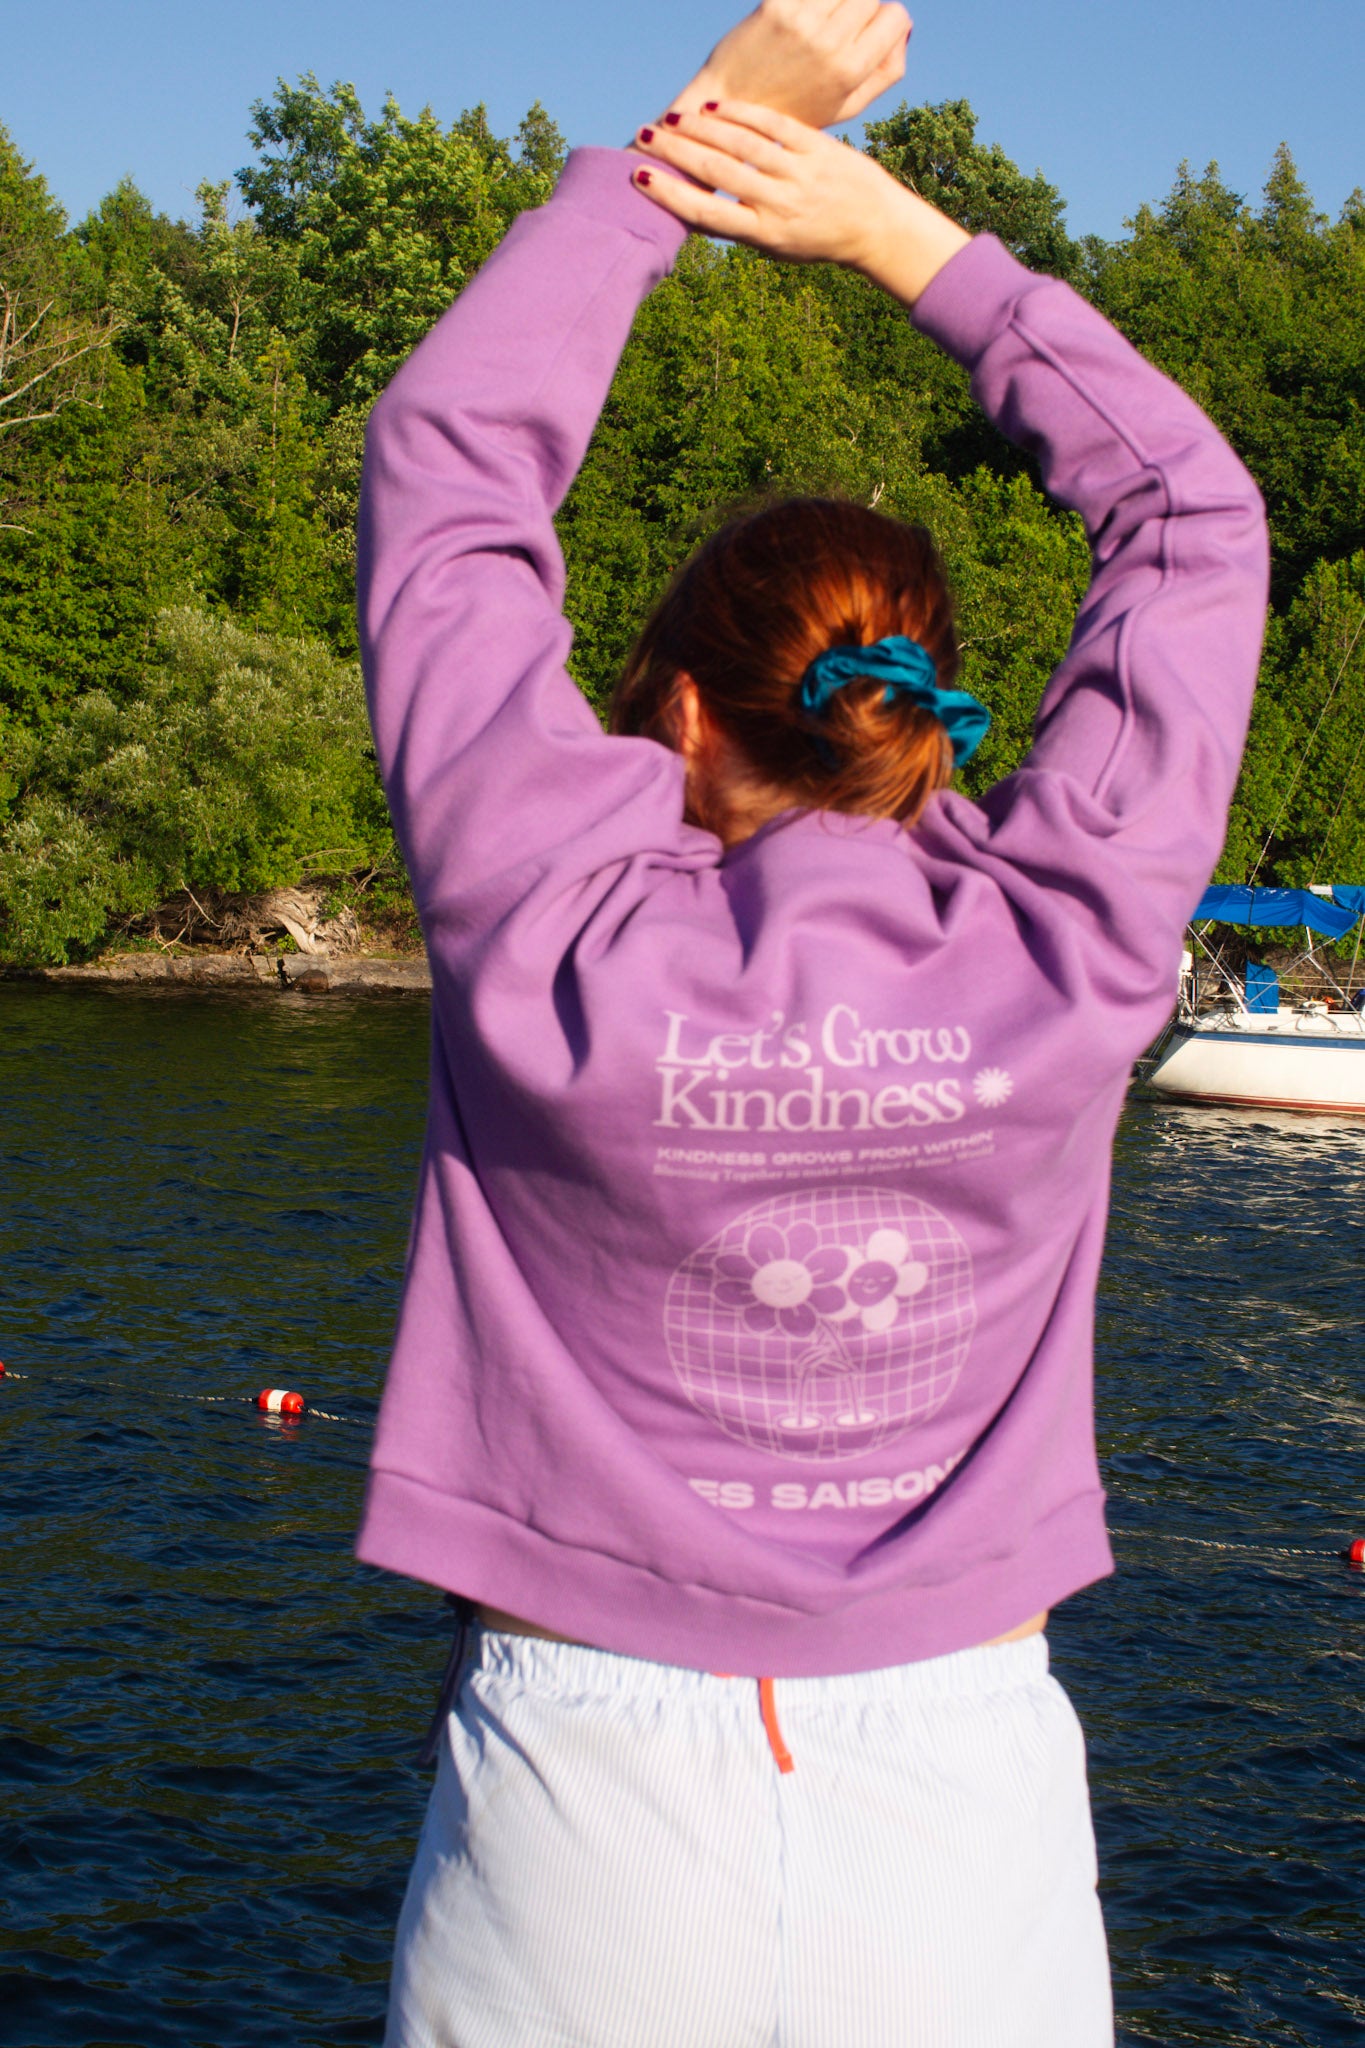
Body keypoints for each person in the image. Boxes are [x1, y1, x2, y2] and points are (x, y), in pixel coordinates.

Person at [354, 5, 1269, 2042]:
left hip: (574, 1791)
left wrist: (680, 158)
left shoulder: (545, 915)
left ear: (677, 713)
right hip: (959, 1795)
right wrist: (893, 238)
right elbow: (1192, 521)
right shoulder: (1067, 936)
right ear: (922, 725)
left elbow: (447, 470)